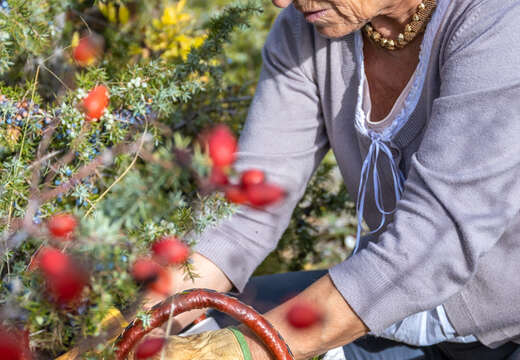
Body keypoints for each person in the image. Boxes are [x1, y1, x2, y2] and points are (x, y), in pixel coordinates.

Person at [139, 0, 520, 358]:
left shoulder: (499, 22)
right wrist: (136, 327)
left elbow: (434, 242)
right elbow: (247, 212)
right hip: (393, 306)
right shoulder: (306, 30)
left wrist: (243, 350)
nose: (279, 2)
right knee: (189, 331)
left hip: (505, 324)